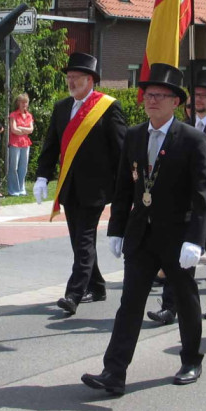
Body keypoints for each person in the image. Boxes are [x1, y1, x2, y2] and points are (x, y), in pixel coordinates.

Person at [81, 63, 206, 394]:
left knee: (185, 299)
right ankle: (114, 372)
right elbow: (125, 185)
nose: (151, 100)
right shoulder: (135, 136)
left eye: (159, 95)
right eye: (148, 95)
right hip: (141, 235)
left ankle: (191, 359)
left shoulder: (193, 139)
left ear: (175, 102)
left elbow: (203, 193)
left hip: (177, 235)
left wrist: (195, 240)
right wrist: (116, 227)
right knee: (130, 303)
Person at [33, 53, 126, 315]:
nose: (70, 82)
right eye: (69, 77)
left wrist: (124, 186)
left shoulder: (108, 108)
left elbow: (120, 150)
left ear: (90, 80)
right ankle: (96, 285)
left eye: (76, 78)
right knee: (78, 240)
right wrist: (42, 176)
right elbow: (50, 146)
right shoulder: (62, 108)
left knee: (84, 239)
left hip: (95, 188)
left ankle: (74, 293)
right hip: (69, 187)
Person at [149, 70, 206, 323]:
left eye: (203, 95)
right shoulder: (181, 125)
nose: (197, 100)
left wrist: (198, 140)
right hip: (180, 199)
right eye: (194, 95)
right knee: (177, 254)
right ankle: (170, 306)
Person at [6, 94, 34, 197]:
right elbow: (13, 129)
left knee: (23, 167)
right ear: (18, 103)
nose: (24, 104)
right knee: (14, 167)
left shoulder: (29, 115)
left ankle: (21, 189)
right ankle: (13, 190)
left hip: (25, 143)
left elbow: (31, 130)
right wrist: (24, 130)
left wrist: (20, 128)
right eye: (22, 102)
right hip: (15, 143)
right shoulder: (13, 115)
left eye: (26, 102)